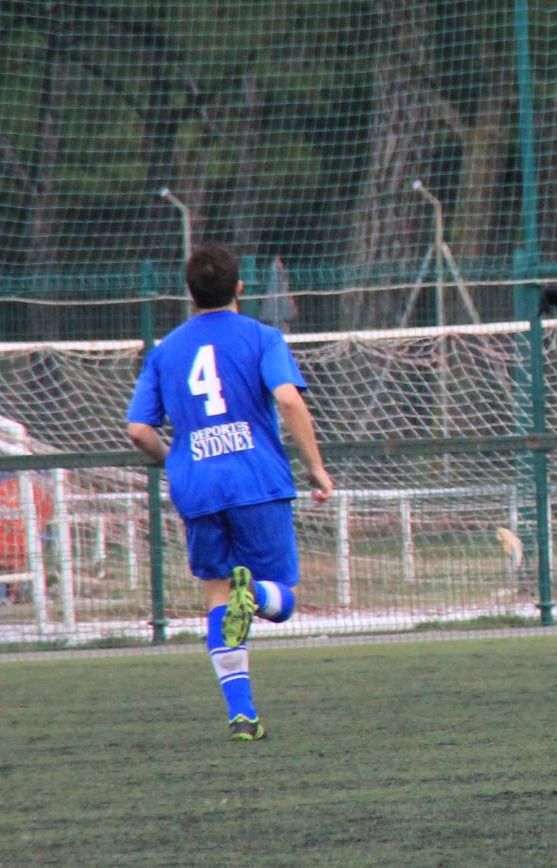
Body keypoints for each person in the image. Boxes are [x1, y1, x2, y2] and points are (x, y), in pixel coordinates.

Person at [125, 241, 333, 742]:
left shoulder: (165, 351)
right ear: (240, 286)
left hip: (197, 488)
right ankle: (254, 593)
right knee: (280, 598)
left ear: (189, 293)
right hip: (255, 480)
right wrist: (317, 468)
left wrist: (176, 460)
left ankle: (241, 713)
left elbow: (137, 429)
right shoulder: (263, 337)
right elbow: (287, 399)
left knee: (217, 595)